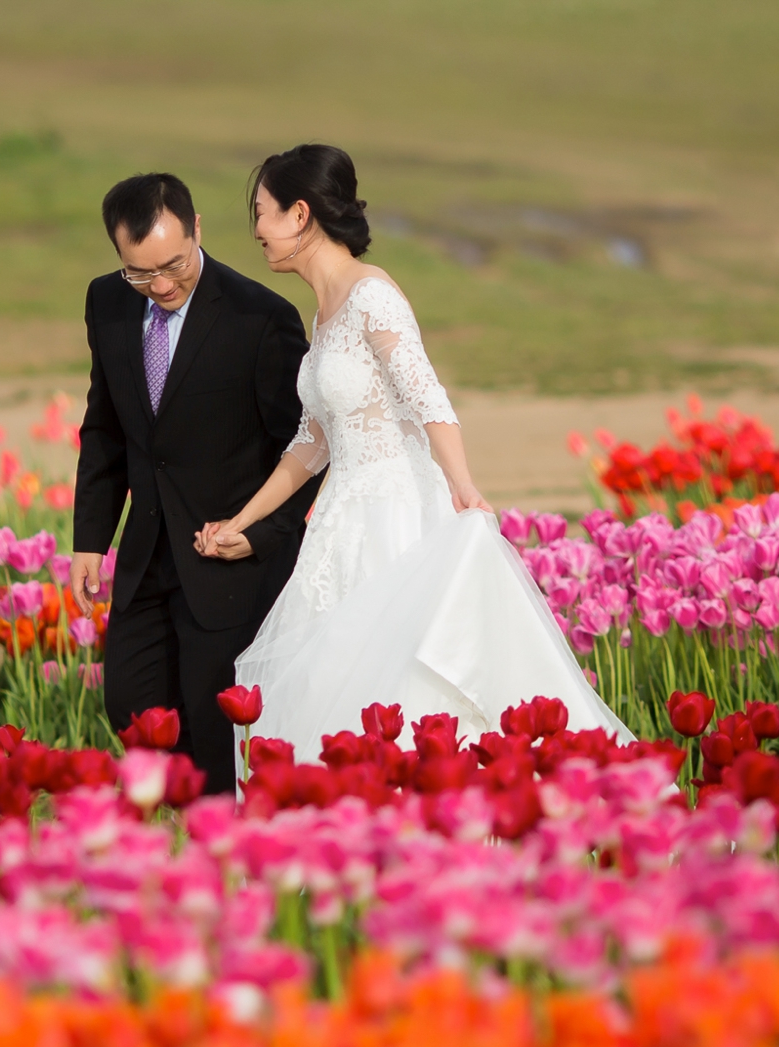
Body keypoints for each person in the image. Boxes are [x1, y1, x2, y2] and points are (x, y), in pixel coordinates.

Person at [195, 144, 631, 760]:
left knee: (404, 682)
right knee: (338, 682)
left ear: (300, 214)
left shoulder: (372, 296)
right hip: (341, 522)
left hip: (394, 517)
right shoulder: (323, 317)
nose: (257, 230)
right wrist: (243, 519)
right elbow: (312, 441)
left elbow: (428, 398)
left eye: (262, 213)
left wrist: (463, 488)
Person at [70, 173, 320, 793]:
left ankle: (214, 856)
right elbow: (105, 427)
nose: (159, 286)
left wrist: (260, 535)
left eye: (173, 266)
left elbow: (309, 449)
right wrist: (89, 540)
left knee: (215, 739)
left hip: (230, 566)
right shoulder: (107, 302)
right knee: (132, 711)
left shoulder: (260, 319)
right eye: (139, 272)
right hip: (146, 560)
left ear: (197, 230)